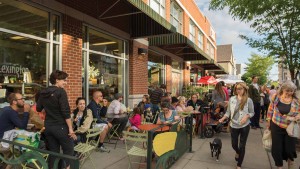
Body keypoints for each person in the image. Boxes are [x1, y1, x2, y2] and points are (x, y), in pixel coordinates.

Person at [36, 70, 75, 169]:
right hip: (60, 127)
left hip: (48, 127)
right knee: (69, 150)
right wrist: (70, 128)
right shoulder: (60, 92)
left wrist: (49, 107)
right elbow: (65, 112)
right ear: (57, 80)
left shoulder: (42, 92)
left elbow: (38, 108)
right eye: (64, 80)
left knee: (53, 152)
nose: (65, 83)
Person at [219, 82, 254, 169]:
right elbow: (228, 112)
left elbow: (252, 112)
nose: (238, 90)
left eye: (240, 89)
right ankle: (238, 152)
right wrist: (222, 119)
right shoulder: (232, 99)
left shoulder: (249, 100)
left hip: (245, 126)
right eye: (237, 89)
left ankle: (239, 165)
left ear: (244, 89)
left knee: (242, 145)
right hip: (233, 125)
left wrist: (246, 116)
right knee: (234, 144)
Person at [266, 80, 300, 169]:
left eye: (291, 91)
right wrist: (268, 120)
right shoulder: (276, 97)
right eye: (287, 91)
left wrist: (298, 116)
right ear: (282, 89)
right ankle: (279, 166)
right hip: (276, 125)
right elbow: (270, 109)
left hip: (290, 127)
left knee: (290, 149)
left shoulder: (297, 100)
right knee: (276, 149)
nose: (289, 93)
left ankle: (290, 163)